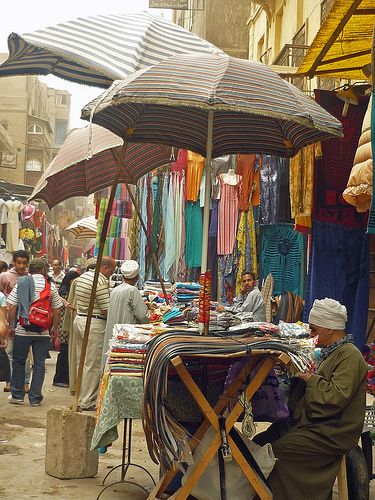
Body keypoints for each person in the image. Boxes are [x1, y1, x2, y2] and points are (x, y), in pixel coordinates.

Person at [253, 298, 368, 500]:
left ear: (330, 329)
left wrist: (308, 376)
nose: (311, 335)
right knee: (260, 442)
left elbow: (334, 397)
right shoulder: (329, 352)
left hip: (332, 431)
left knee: (277, 452)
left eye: (314, 330)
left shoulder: (350, 356)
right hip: (313, 421)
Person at [7, 258, 62, 406]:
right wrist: (54, 329)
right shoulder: (50, 286)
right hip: (42, 332)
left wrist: (11, 325)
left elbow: (12, 306)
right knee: (39, 364)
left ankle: (18, 395)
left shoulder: (22, 282)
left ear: (30, 269)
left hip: (23, 329)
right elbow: (57, 309)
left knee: (18, 361)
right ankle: (35, 398)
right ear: (44, 270)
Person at [73, 256, 116, 410]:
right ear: (105, 268)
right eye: (111, 270)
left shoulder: (83, 276)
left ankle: (80, 396)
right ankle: (87, 400)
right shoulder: (100, 280)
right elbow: (105, 309)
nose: (111, 273)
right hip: (94, 323)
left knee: (82, 361)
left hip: (80, 319)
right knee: (92, 363)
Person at [102, 260, 149, 366]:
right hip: (126, 332)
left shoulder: (115, 290)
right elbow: (143, 315)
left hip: (115, 330)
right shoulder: (132, 290)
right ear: (136, 277)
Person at [0, 250, 31, 393]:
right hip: (6, 321)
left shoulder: (30, 278)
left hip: (25, 322)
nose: (21, 265)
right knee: (8, 351)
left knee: (24, 354)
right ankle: (9, 381)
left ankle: (25, 383)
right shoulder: (5, 277)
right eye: (19, 262)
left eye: (24, 263)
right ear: (13, 262)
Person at [52, 270, 80, 388]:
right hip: (64, 326)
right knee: (64, 352)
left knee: (67, 351)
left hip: (67, 325)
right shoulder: (64, 293)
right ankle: (60, 378)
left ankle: (64, 378)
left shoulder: (66, 291)